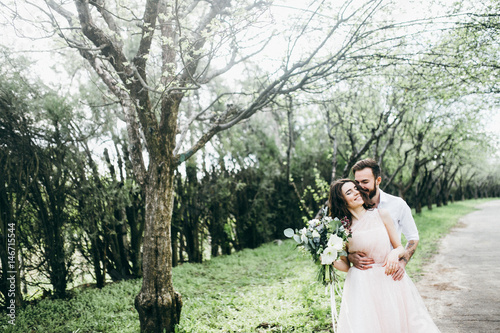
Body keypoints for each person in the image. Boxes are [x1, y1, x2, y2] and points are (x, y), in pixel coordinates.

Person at [330, 179, 440, 333]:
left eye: (356, 188)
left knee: (395, 323)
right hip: (361, 285)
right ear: (341, 200)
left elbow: (400, 247)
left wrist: (394, 254)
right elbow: (346, 265)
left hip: (388, 278)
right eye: (349, 192)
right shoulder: (342, 229)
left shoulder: (381, 214)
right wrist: (327, 259)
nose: (356, 192)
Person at [349, 158, 419, 281]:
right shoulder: (352, 209)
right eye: (357, 182)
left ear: (378, 180)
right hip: (363, 278)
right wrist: (350, 256)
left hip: (391, 274)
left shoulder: (398, 204)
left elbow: (413, 237)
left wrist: (402, 263)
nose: (360, 187)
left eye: (365, 182)